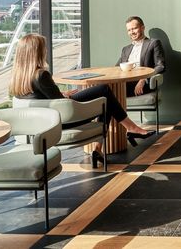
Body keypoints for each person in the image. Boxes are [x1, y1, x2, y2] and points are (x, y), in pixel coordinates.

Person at [9, 34, 155, 166]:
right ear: (37, 52)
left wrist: (62, 94)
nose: (46, 50)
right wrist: (67, 97)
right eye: (44, 47)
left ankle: (99, 149)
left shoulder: (18, 77)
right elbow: (63, 106)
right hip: (62, 121)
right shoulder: (41, 75)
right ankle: (130, 127)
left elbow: (40, 98)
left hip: (39, 124)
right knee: (104, 91)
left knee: (105, 100)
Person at [116, 16, 166, 97]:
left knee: (104, 91)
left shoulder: (153, 43)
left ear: (142, 28)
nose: (132, 32)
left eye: (134, 28)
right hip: (124, 82)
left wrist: (144, 79)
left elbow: (161, 66)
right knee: (101, 87)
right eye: (129, 30)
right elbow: (116, 68)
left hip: (143, 83)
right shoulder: (126, 49)